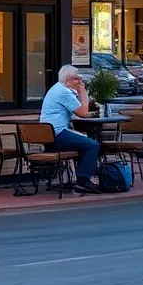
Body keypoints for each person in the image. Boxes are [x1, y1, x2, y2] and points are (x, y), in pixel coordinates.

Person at [39, 65, 100, 193]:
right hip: (57, 134)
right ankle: (83, 181)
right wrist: (83, 92)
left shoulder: (56, 88)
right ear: (69, 79)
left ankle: (82, 177)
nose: (80, 81)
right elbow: (83, 113)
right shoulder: (64, 92)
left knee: (83, 143)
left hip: (47, 135)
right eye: (77, 78)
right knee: (92, 145)